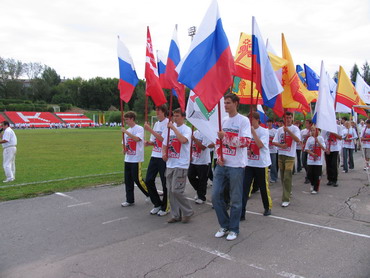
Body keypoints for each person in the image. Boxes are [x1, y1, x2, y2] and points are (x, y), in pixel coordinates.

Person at [212, 93, 251, 241]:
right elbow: (218, 142)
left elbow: (247, 142)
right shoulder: (223, 121)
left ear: (236, 103)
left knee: (235, 199)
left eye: (228, 103)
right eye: (224, 103)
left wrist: (227, 137)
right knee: (215, 196)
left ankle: (234, 228)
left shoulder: (243, 121)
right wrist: (219, 155)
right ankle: (224, 225)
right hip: (222, 165)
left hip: (236, 166)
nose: (225, 106)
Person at [162, 108, 193, 224]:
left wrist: (173, 128)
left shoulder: (187, 129)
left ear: (183, 117)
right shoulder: (168, 130)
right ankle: (175, 215)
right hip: (170, 163)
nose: (175, 118)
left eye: (177, 116)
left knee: (177, 190)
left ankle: (188, 211)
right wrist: (164, 154)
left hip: (181, 164)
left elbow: (183, 140)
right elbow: (164, 144)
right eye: (174, 116)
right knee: (170, 191)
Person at [241, 112, 272, 220]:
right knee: (245, 187)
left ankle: (267, 207)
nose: (250, 122)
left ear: (257, 120)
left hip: (261, 164)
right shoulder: (245, 132)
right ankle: (242, 212)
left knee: (263, 187)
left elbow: (260, 145)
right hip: (249, 164)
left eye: (252, 120)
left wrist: (253, 132)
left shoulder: (264, 131)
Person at [144, 104, 169, 216]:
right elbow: (155, 141)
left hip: (163, 157)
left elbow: (164, 140)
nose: (157, 112)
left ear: (164, 111)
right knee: (149, 180)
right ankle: (157, 203)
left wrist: (150, 130)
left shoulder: (168, 123)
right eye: (156, 110)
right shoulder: (156, 124)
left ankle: (165, 207)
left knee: (165, 183)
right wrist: (149, 143)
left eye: (159, 110)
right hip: (155, 155)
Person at [272, 111, 301, 207]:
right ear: (284, 119)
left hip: (290, 155)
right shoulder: (279, 129)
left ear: (292, 118)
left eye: (289, 117)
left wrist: (288, 131)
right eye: (286, 118)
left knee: (287, 176)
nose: (288, 119)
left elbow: (297, 140)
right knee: (283, 176)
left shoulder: (295, 128)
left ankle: (285, 198)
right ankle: (287, 191)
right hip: (281, 154)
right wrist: (281, 145)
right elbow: (274, 142)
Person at [121, 111, 149, 207]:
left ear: (132, 119)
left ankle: (149, 193)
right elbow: (124, 143)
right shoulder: (126, 131)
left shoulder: (139, 129)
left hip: (136, 159)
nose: (126, 122)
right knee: (128, 180)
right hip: (128, 158)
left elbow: (137, 139)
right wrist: (124, 149)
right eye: (125, 120)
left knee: (138, 179)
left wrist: (126, 132)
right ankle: (129, 200)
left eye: (127, 120)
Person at [188, 129, 212, 204]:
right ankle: (199, 191)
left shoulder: (206, 134)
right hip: (194, 160)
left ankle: (202, 197)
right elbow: (190, 146)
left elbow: (203, 147)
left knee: (203, 179)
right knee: (190, 176)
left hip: (203, 162)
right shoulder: (194, 133)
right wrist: (190, 155)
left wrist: (194, 139)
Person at [305, 126, 326, 194]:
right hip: (310, 160)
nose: (313, 132)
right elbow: (307, 149)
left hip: (318, 161)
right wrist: (312, 153)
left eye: (314, 130)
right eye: (311, 130)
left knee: (317, 175)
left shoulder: (320, 138)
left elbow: (323, 148)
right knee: (309, 174)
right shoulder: (309, 139)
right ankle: (312, 183)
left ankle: (316, 188)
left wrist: (318, 142)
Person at [301, 119, 312, 184]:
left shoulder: (313, 131)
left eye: (307, 123)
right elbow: (301, 139)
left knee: (309, 162)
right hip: (304, 148)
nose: (306, 124)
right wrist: (302, 145)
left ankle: (308, 176)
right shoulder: (303, 131)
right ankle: (309, 173)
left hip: (310, 149)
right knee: (304, 161)